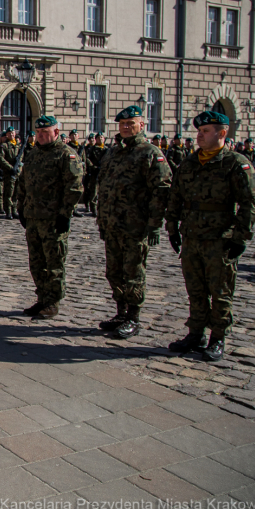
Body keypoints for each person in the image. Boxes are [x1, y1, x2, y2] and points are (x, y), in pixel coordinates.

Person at [164, 111, 255, 362]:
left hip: (220, 238)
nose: (199, 136)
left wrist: (240, 237)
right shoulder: (190, 163)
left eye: (205, 131)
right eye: (199, 131)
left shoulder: (235, 163)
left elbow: (250, 202)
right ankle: (195, 333)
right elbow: (175, 197)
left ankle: (218, 337)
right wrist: (173, 228)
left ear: (222, 133)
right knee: (195, 288)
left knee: (220, 290)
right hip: (192, 236)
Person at [95, 105, 172, 339]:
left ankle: (133, 317)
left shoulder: (150, 152)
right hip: (112, 224)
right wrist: (102, 220)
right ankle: (120, 313)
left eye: (131, 124)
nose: (126, 128)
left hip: (135, 226)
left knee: (133, 273)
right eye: (122, 124)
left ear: (142, 125)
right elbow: (104, 187)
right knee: (114, 272)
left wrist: (155, 223)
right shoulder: (112, 152)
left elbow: (162, 189)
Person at [16, 115, 84, 319]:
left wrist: (65, 214)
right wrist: (21, 208)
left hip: (54, 219)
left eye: (45, 133)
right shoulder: (34, 154)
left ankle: (53, 301)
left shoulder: (65, 155)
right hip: (34, 217)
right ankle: (41, 298)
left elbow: (74, 186)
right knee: (36, 262)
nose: (41, 136)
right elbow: (23, 183)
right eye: (38, 133)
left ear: (56, 132)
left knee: (54, 262)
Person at [0, 128, 21, 220]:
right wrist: (11, 168)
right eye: (9, 133)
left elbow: (22, 158)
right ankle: (8, 211)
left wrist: (18, 167)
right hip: (9, 173)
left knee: (16, 193)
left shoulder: (18, 146)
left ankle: (14, 210)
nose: (12, 135)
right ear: (7, 135)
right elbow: (1, 159)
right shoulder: (4, 146)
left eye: (13, 133)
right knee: (8, 193)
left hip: (17, 172)